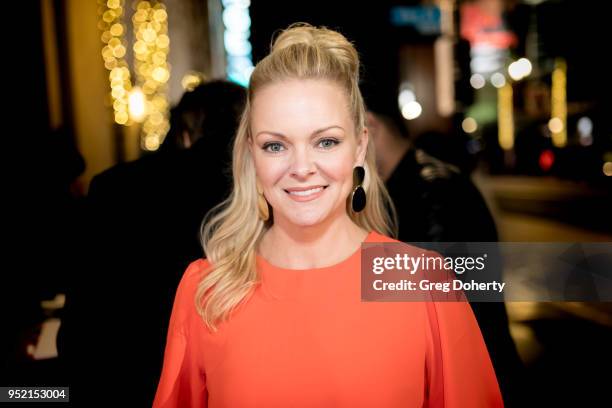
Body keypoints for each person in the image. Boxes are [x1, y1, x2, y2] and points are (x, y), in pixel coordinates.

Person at [153, 23, 503, 407]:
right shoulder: (206, 290)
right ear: (251, 152)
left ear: (359, 146)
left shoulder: (424, 284)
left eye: (326, 141)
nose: (302, 167)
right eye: (275, 145)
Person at [59, 80, 246, 406]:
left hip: (124, 381)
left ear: (184, 133)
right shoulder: (262, 191)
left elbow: (80, 330)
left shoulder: (114, 188)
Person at [363, 85, 525, 406]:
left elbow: (437, 304)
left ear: (369, 129)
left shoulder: (432, 192)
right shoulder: (409, 186)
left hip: (469, 375)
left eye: (335, 140)